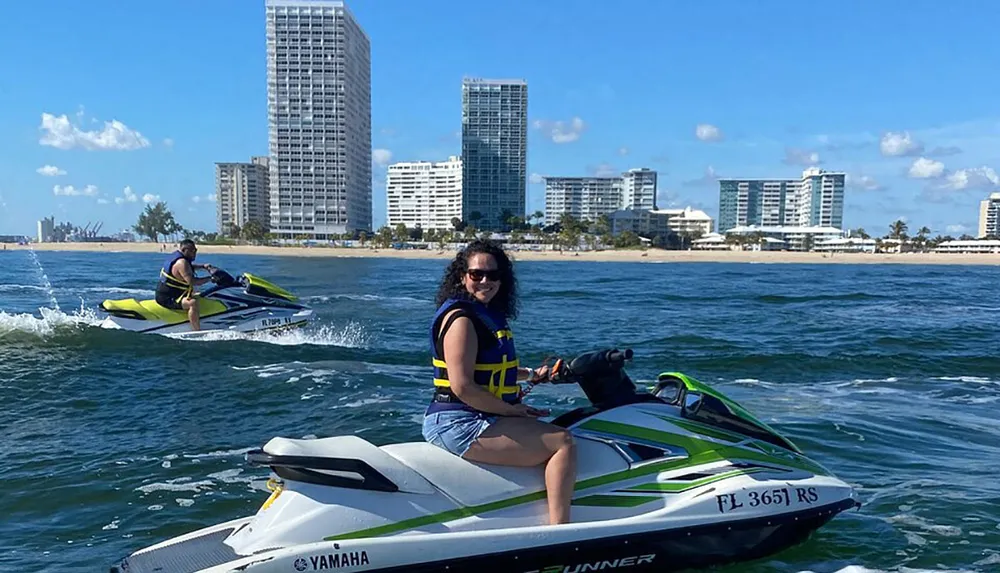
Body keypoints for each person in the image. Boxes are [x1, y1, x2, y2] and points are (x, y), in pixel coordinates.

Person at [422, 238, 577, 525]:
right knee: (562, 442)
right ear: (462, 276)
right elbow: (462, 385)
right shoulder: (462, 320)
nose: (485, 281)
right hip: (458, 423)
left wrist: (532, 375)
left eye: (493, 275)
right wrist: (512, 410)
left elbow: (489, 369)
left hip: (473, 415)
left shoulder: (484, 315)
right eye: (476, 274)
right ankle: (561, 531)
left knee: (558, 428)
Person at [155, 239, 215, 331]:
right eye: (192, 251)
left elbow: (189, 268)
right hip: (168, 298)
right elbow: (192, 282)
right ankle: (196, 330)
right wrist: (210, 279)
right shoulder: (181, 263)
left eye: (195, 250)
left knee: (199, 295)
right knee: (193, 303)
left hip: (173, 293)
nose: (194, 253)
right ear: (184, 250)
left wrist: (203, 266)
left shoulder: (182, 260)